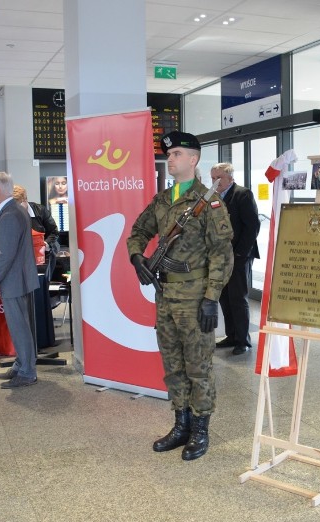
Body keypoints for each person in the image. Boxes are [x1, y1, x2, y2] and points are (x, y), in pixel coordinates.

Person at [127, 131, 233, 461]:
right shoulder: (162, 200)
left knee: (199, 367)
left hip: (195, 295)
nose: (170, 159)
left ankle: (200, 430)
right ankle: (181, 424)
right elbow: (138, 232)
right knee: (173, 365)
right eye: (168, 154)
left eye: (176, 154)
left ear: (193, 159)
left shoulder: (209, 202)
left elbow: (222, 254)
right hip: (166, 295)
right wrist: (137, 258)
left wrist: (211, 297)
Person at [0, 172, 40, 388]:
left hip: (13, 280)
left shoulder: (10, 214)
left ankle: (26, 371)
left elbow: (6, 254)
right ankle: (21, 364)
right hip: (16, 279)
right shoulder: (13, 210)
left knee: (19, 327)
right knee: (20, 326)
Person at [210, 162, 260, 355]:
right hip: (220, 256)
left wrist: (240, 253)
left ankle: (243, 340)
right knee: (224, 297)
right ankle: (231, 335)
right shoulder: (213, 197)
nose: (215, 181)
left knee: (238, 298)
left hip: (239, 256)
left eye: (219, 178)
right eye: (213, 178)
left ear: (230, 177)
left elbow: (252, 226)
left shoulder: (242, 194)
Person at [12, 185, 59, 275]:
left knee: (41, 285)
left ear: (25, 200)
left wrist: (43, 245)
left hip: (44, 255)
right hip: (22, 257)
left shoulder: (41, 211)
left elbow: (54, 232)